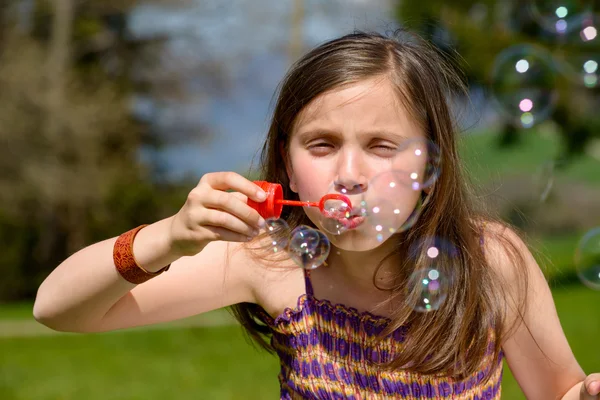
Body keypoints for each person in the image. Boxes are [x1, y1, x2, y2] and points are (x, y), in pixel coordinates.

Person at [33, 30, 599, 400]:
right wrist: (170, 237)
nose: (349, 173)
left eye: (382, 145)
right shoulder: (269, 259)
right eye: (322, 145)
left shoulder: (490, 263)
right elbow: (57, 308)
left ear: (431, 162)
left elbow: (560, 391)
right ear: (286, 161)